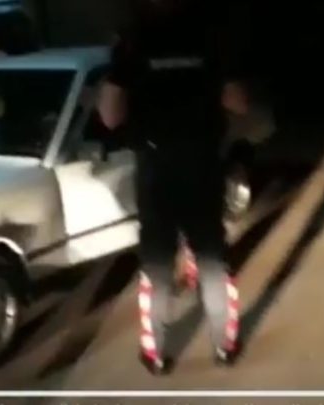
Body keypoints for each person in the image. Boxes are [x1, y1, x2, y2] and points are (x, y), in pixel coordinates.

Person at [97, 0, 253, 375]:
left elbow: (110, 114)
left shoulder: (134, 43)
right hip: (202, 163)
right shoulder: (209, 38)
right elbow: (239, 103)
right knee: (212, 256)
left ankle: (155, 356)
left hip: (156, 167)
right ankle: (225, 347)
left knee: (157, 263)